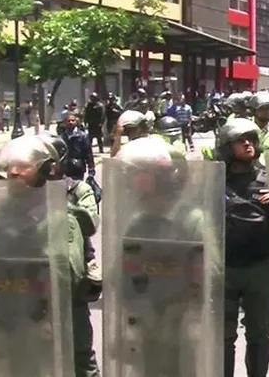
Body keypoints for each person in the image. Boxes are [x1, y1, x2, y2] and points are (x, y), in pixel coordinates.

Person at [0, 135, 88, 375]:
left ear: (46, 171)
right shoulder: (2, 216)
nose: (13, 173)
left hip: (43, 327)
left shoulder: (58, 219)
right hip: (2, 324)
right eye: (10, 167)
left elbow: (67, 276)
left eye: (23, 167)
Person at [103, 136, 222, 376]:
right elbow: (119, 275)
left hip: (183, 324)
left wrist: (179, 305)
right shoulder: (138, 222)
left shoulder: (193, 221)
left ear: (166, 177)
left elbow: (212, 274)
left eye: (142, 173)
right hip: (146, 322)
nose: (134, 179)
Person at [214, 118, 269, 377]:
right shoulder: (214, 182)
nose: (247, 143)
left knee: (259, 333)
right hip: (224, 268)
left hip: (260, 268)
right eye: (240, 140)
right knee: (222, 336)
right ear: (227, 147)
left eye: (250, 138)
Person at [38, 133, 101, 376]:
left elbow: (91, 223)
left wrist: (59, 202)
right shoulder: (23, 192)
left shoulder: (77, 189)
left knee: (80, 352)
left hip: (72, 276)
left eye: (48, 160)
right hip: (35, 276)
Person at [60, 112, 97, 178]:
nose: (70, 122)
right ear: (65, 123)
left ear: (76, 122)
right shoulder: (62, 136)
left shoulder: (83, 136)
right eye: (68, 121)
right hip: (66, 168)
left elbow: (88, 153)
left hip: (78, 167)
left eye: (72, 120)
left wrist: (91, 168)